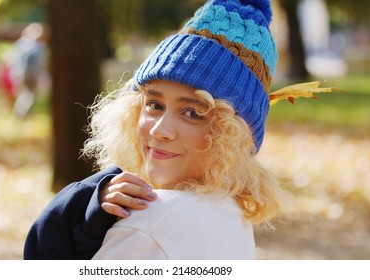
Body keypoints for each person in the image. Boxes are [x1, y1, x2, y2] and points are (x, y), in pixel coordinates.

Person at [25, 0, 288, 260]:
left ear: (233, 133)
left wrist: (68, 208)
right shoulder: (232, 214)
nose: (160, 131)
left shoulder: (147, 225)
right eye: (154, 104)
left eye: (192, 113)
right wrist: (88, 211)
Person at [0, 23, 47, 117]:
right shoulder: (37, 47)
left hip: (20, 73)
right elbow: (38, 63)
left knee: (24, 94)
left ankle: (24, 114)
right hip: (29, 74)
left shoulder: (21, 44)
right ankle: (22, 114)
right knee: (28, 95)